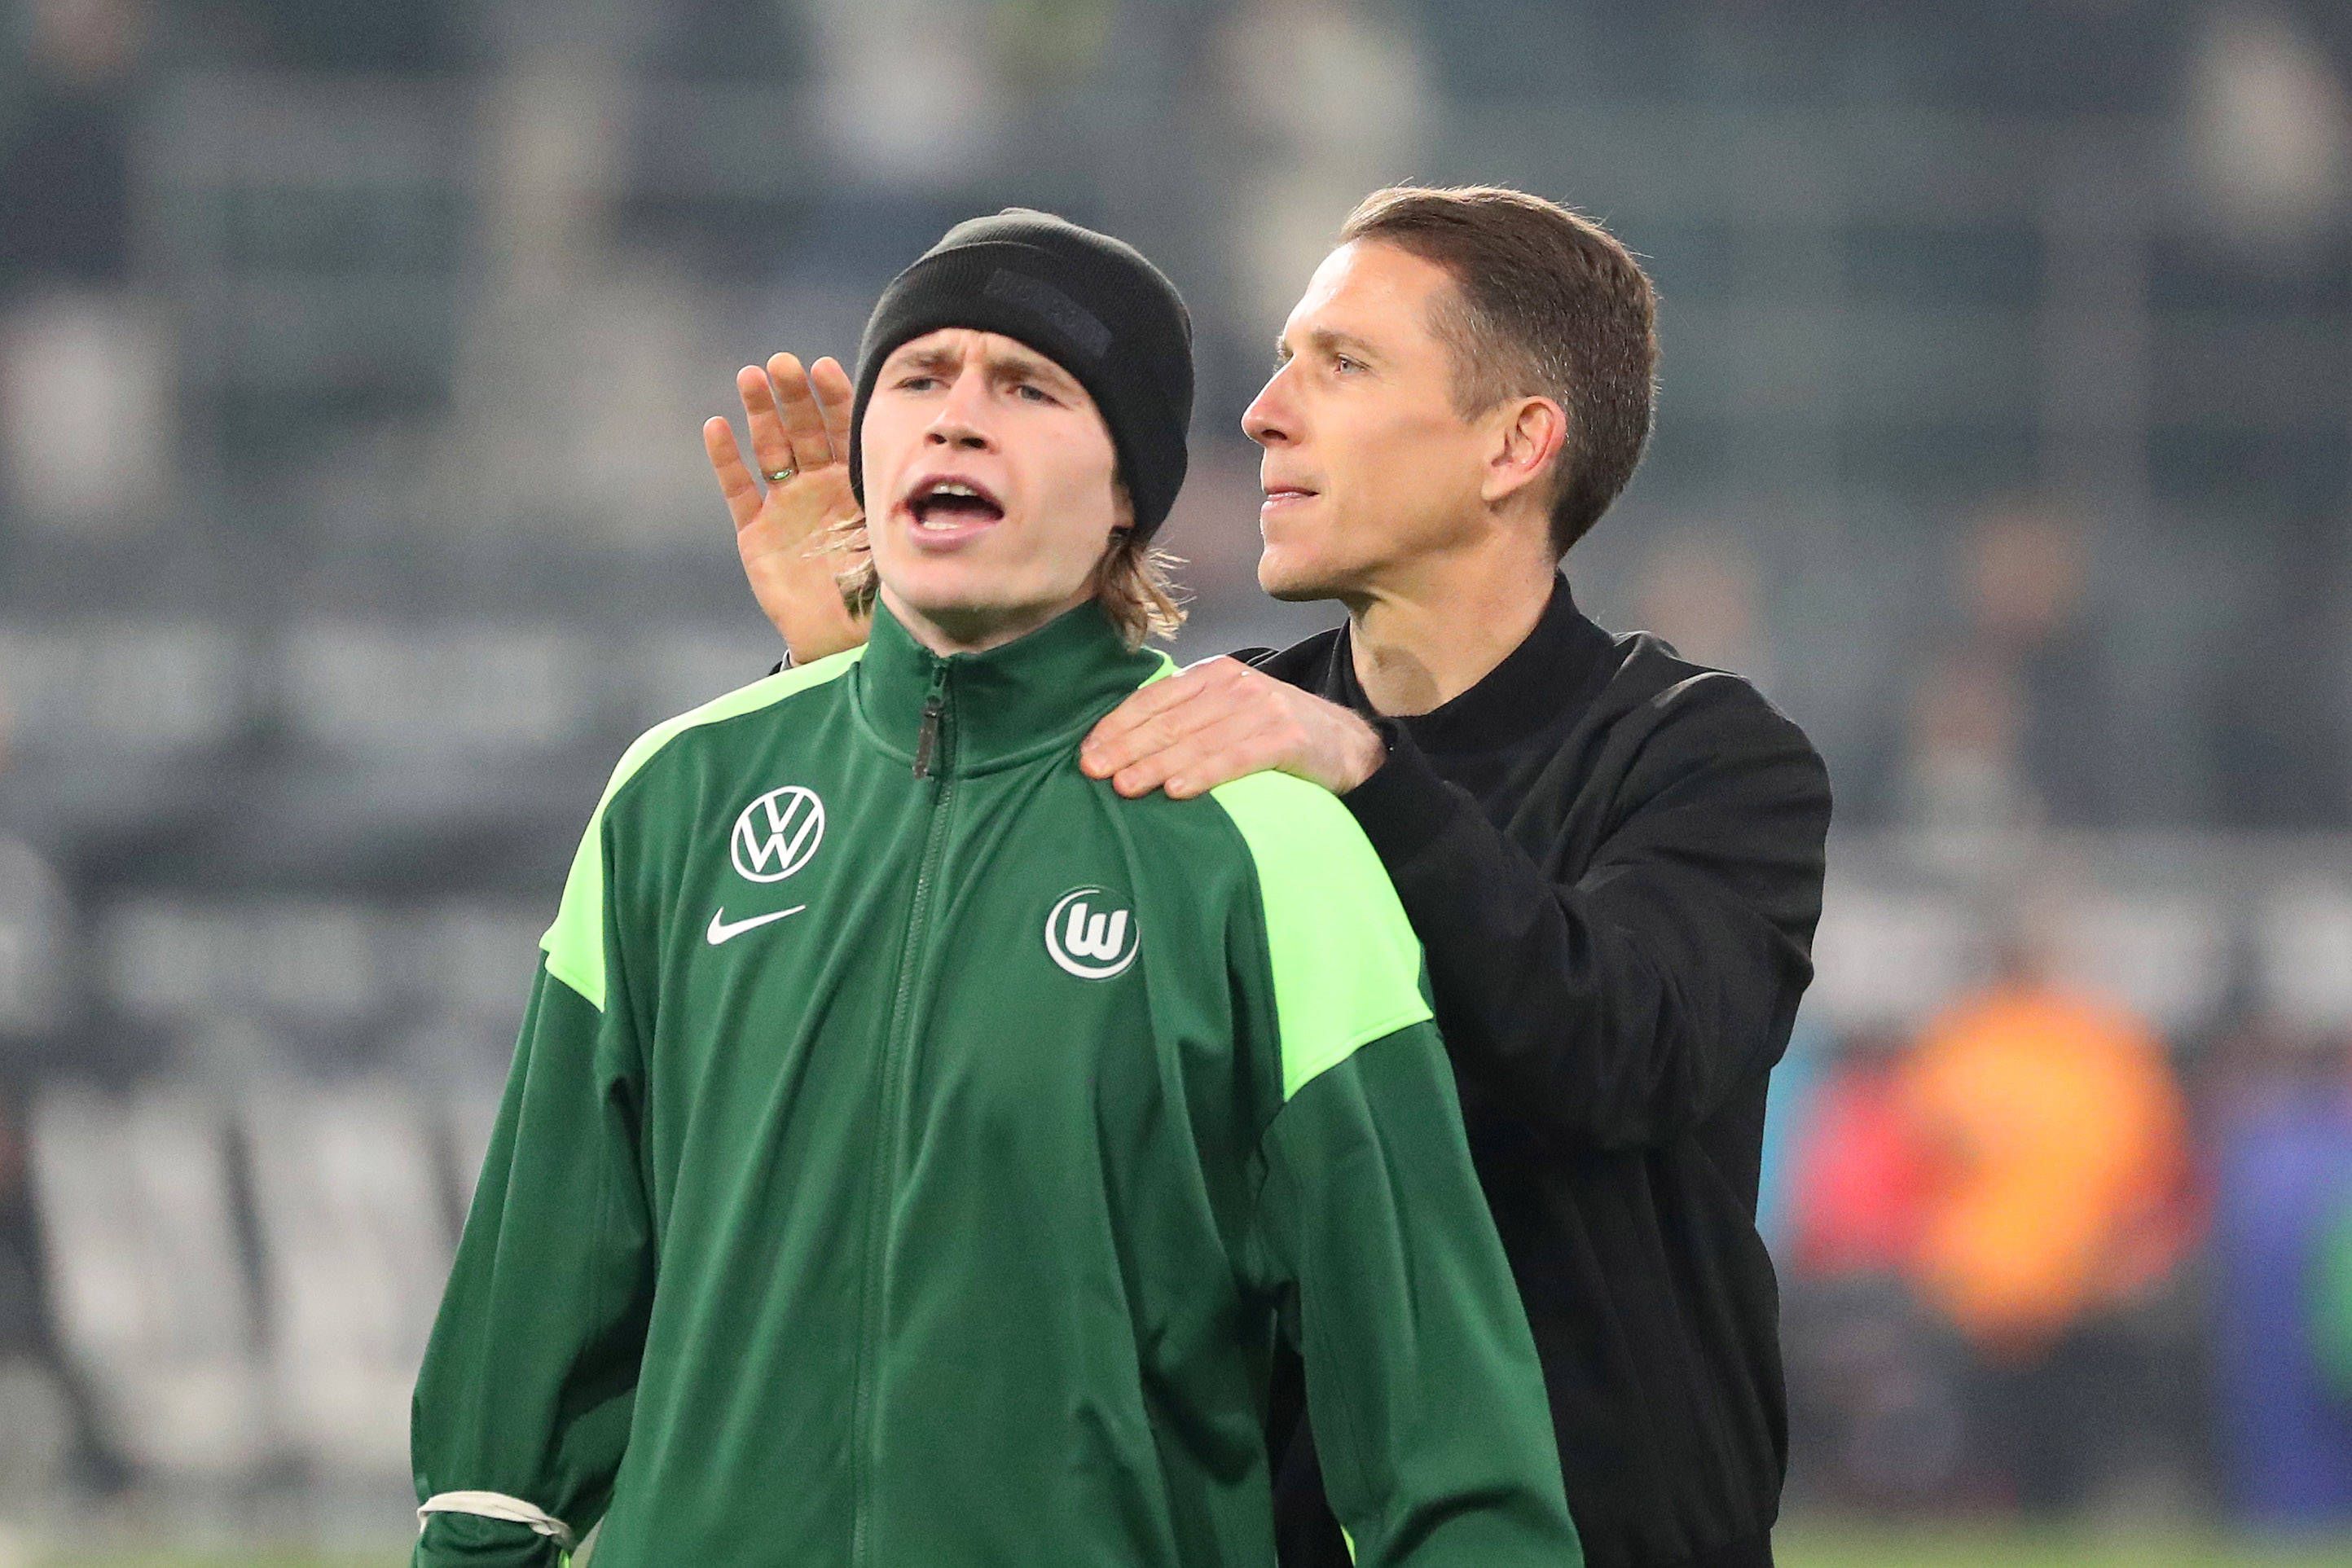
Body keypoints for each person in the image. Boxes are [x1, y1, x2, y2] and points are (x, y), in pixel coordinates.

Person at [411, 209, 1580, 1567]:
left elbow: (1444, 1442)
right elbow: (514, 1395)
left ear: (1128, 492)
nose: (958, 417)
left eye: (1028, 388)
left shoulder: (1266, 846)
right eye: (920, 377)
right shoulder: (677, 802)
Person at [738, 187, 1833, 1568]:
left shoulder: (1706, 757)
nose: (1262, 414)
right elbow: (924, 1037)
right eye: (1281, 361)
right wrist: (859, 693)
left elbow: (1614, 1050)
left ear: (1516, 444)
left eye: (1343, 364)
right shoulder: (1212, 730)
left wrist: (1369, 775)